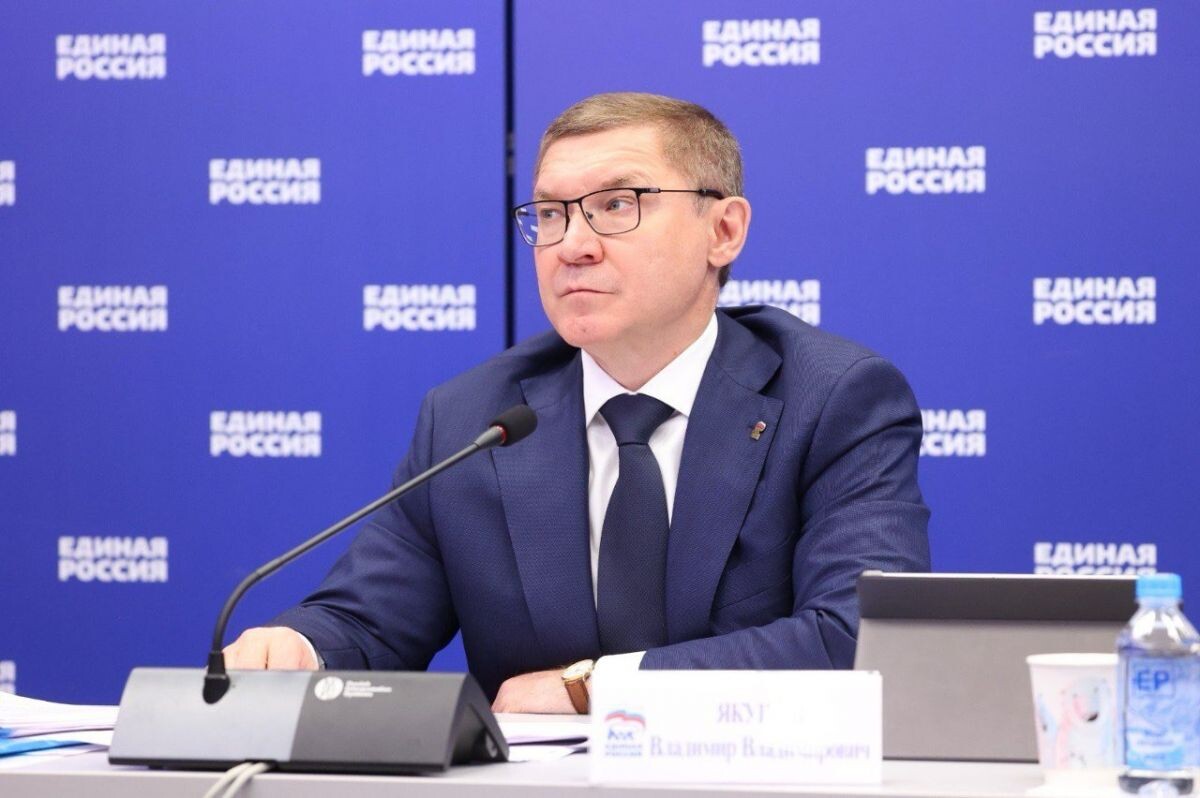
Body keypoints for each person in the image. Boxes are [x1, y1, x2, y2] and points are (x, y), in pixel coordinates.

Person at [224, 92, 930, 713]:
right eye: (550, 213)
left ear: (723, 231)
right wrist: (299, 647)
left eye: (617, 205)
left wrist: (592, 688)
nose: (572, 245)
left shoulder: (832, 398)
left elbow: (860, 638)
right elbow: (370, 621)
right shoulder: (472, 418)